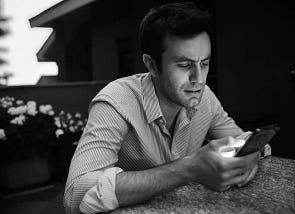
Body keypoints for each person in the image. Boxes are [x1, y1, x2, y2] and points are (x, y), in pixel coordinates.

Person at [63, 2, 264, 214]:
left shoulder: (205, 97)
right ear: (151, 65)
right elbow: (76, 195)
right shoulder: (116, 101)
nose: (199, 79)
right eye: (185, 65)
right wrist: (189, 168)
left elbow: (245, 143)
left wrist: (248, 156)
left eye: (204, 63)